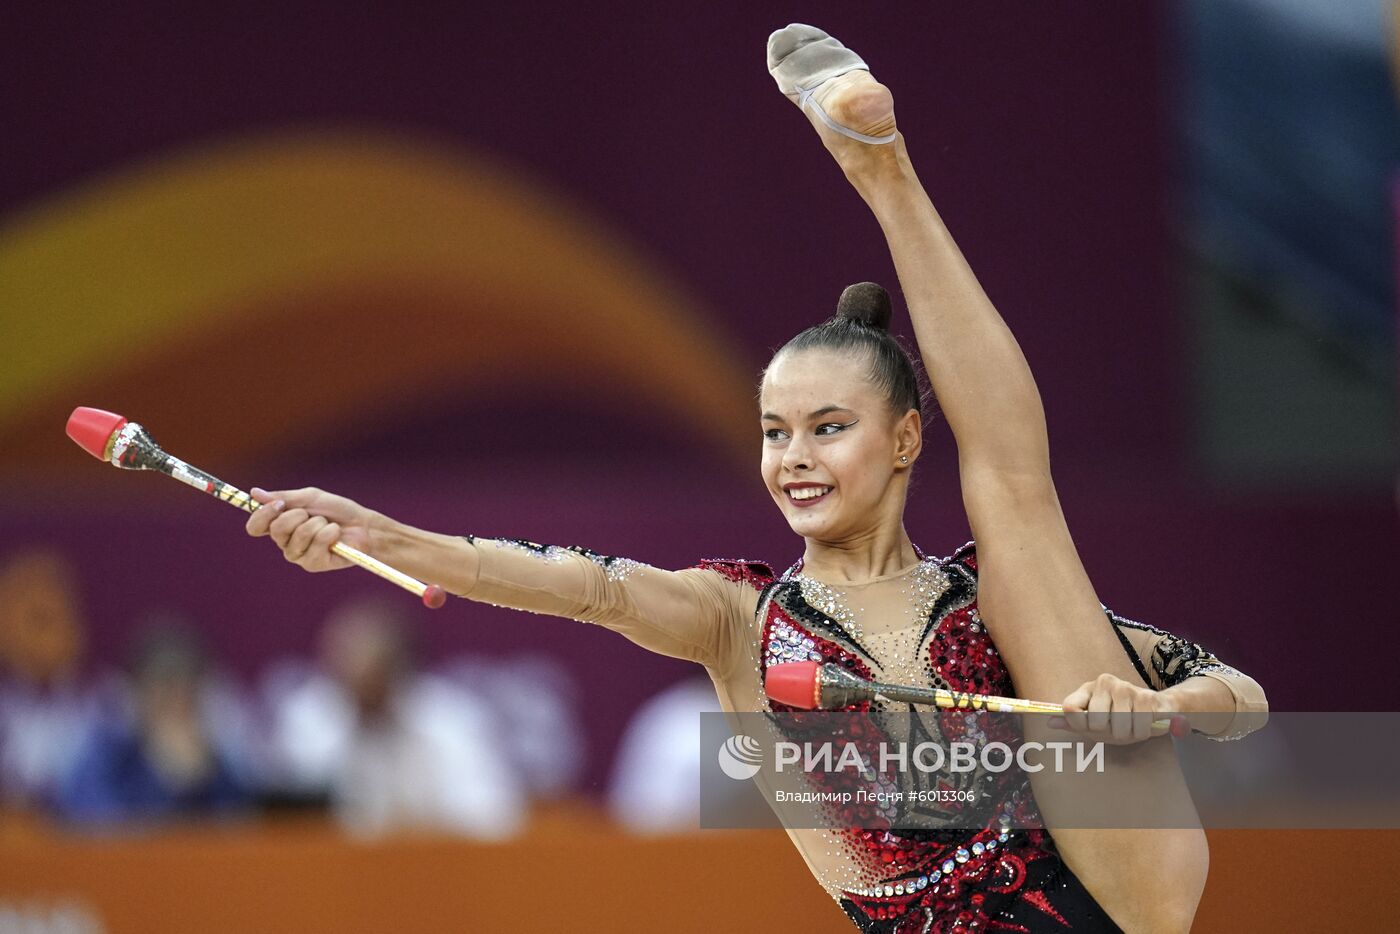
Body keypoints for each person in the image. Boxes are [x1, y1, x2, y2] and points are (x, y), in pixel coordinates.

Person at [244, 25, 1267, 932]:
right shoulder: (744, 619)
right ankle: (878, 168)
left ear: (905, 440)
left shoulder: (987, 598)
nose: (794, 457)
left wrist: (1155, 709)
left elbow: (1240, 697)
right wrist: (385, 538)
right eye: (775, 432)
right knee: (1013, 512)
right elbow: (581, 585)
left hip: (1115, 896)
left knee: (1015, 503)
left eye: (829, 428)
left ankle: (883, 170)